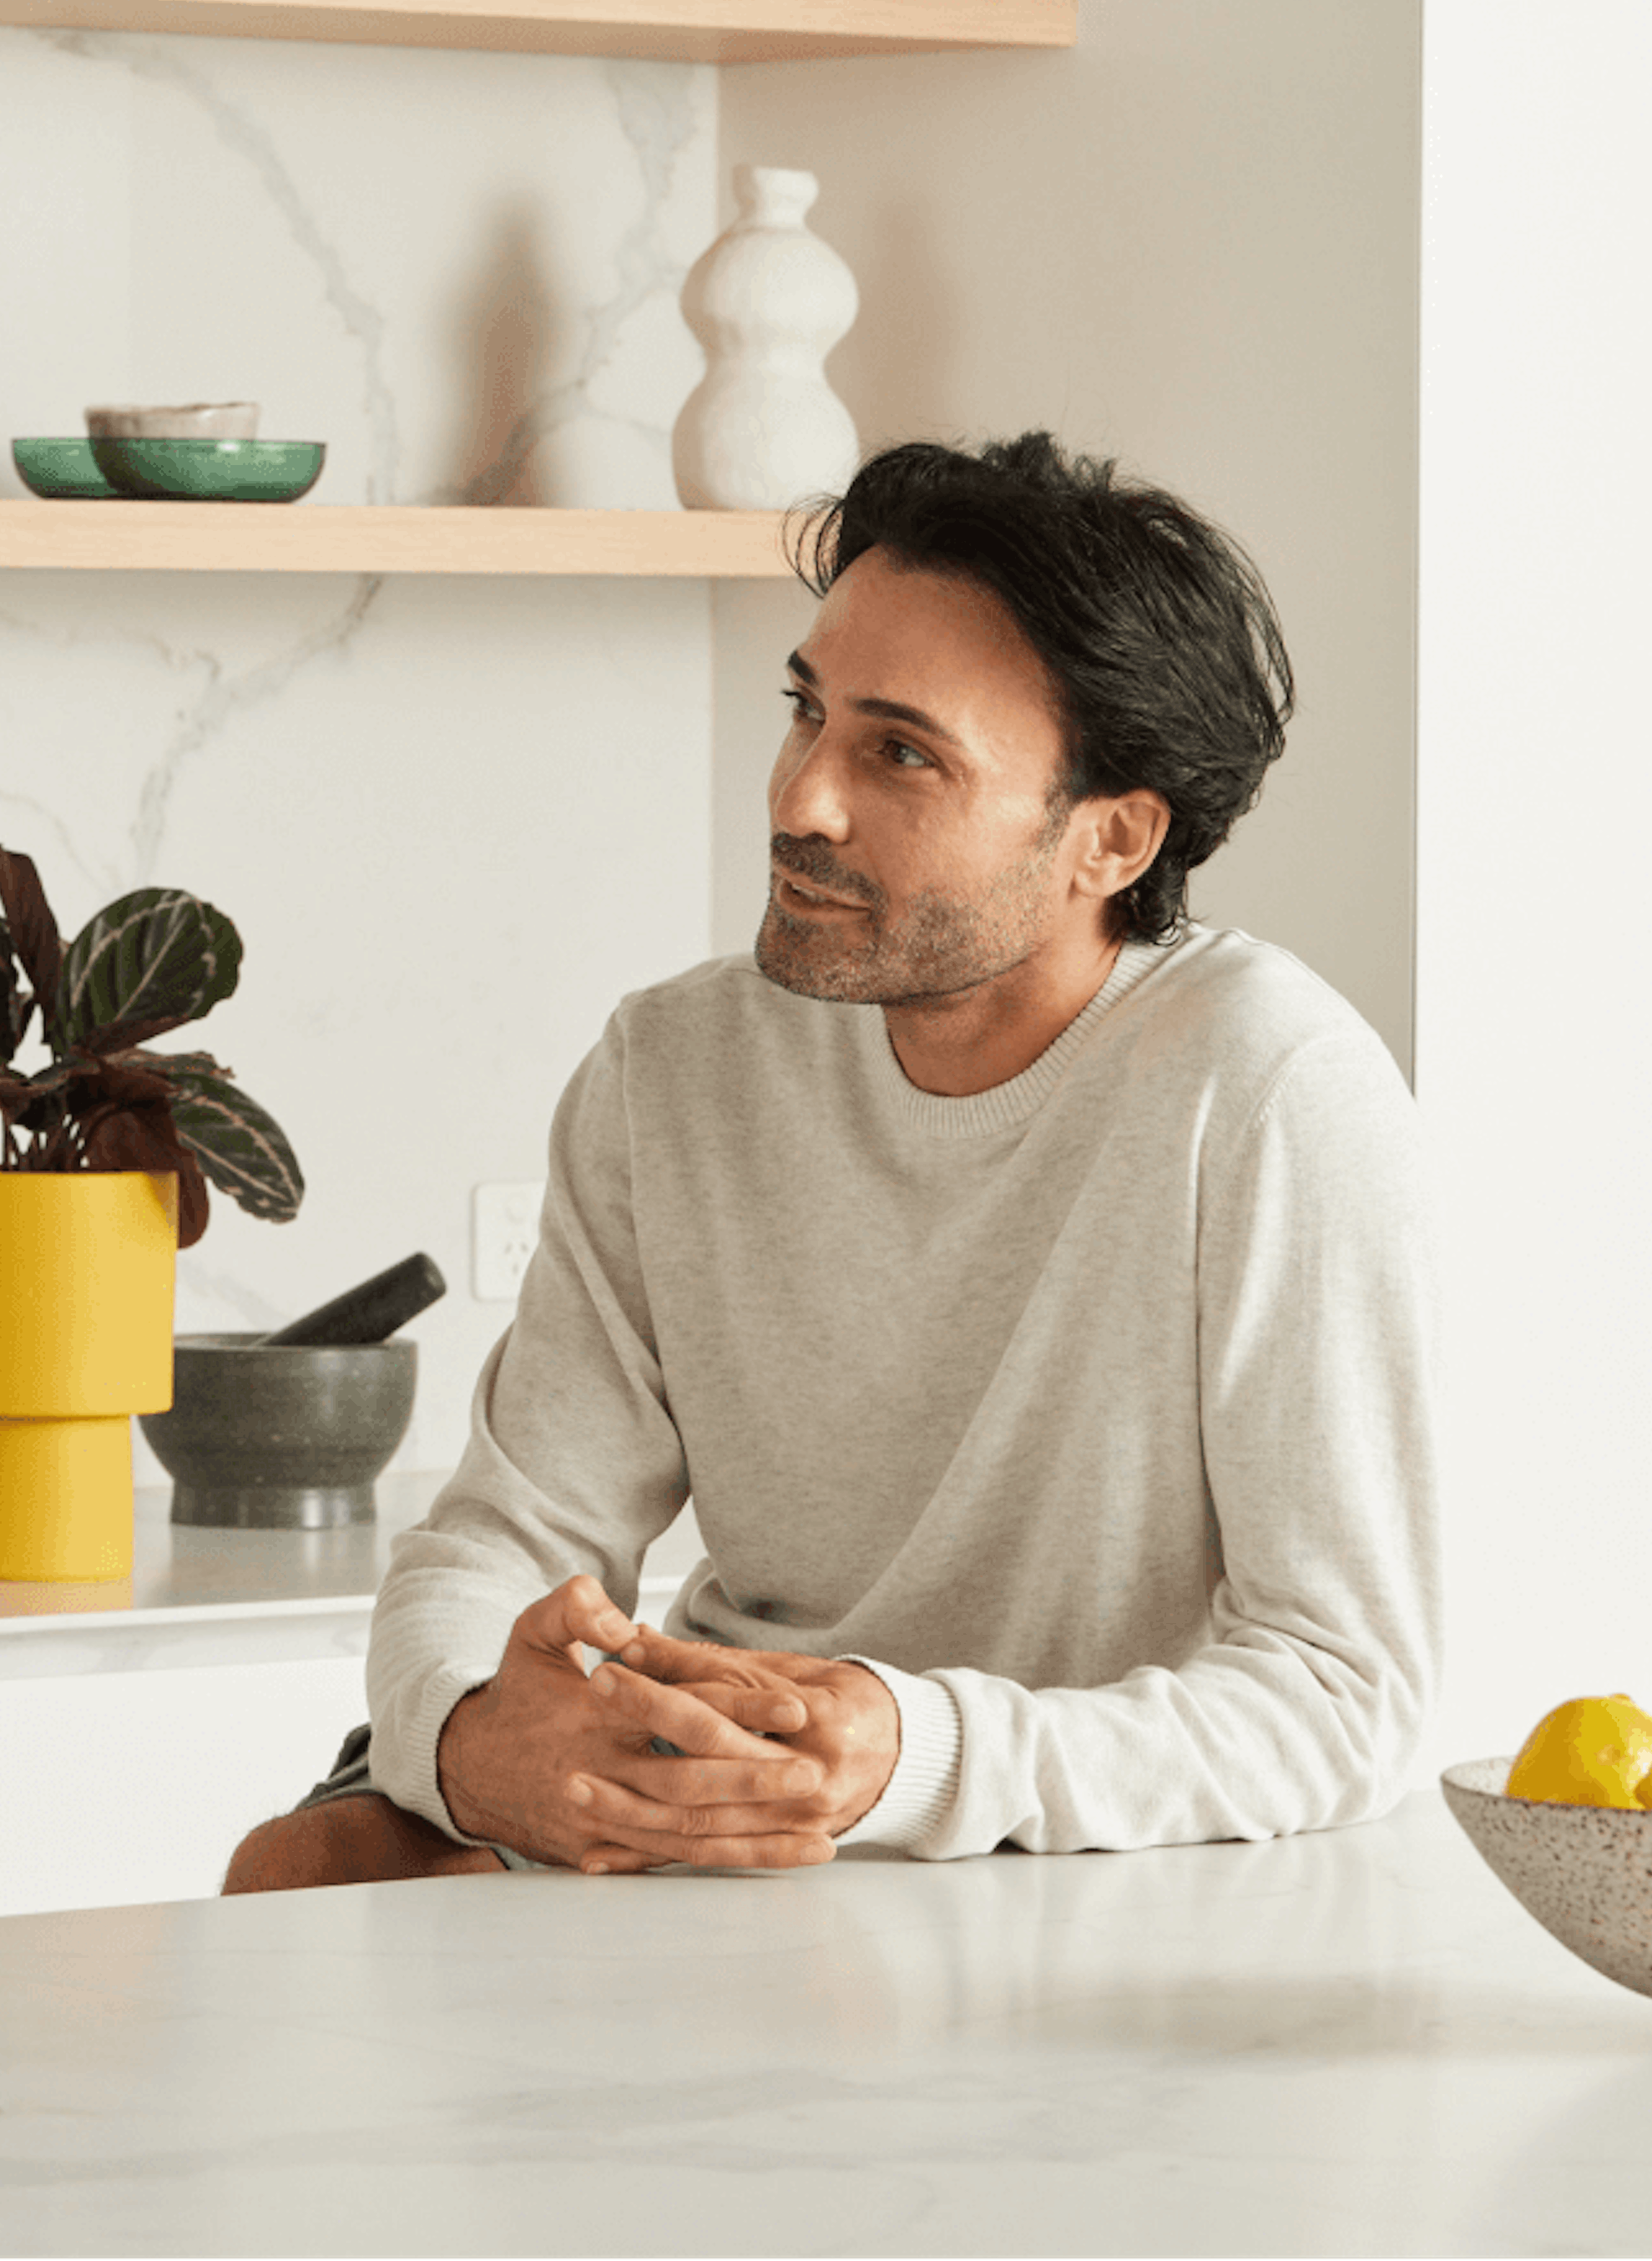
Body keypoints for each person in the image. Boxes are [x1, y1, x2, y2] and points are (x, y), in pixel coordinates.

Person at [225, 433, 1439, 1888]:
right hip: (715, 1774)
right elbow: (506, 1534)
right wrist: (476, 1730)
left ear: (1109, 838)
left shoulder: (1267, 1088)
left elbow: (1346, 1689)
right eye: (807, 713)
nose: (802, 798)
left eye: (901, 753)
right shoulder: (669, 1068)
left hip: (1058, 1829)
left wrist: (910, 1750)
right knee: (300, 1869)